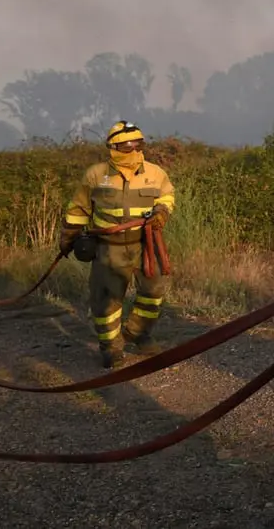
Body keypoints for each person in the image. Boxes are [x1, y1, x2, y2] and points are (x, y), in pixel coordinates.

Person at [61, 120, 174, 369]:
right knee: (107, 300)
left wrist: (162, 211)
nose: (133, 149)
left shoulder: (155, 172)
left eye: (138, 143)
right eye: (126, 145)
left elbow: (167, 195)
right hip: (108, 246)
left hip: (146, 244)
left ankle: (138, 334)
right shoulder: (95, 175)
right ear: (113, 146)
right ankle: (111, 347)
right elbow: (79, 209)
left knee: (153, 294)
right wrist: (69, 238)